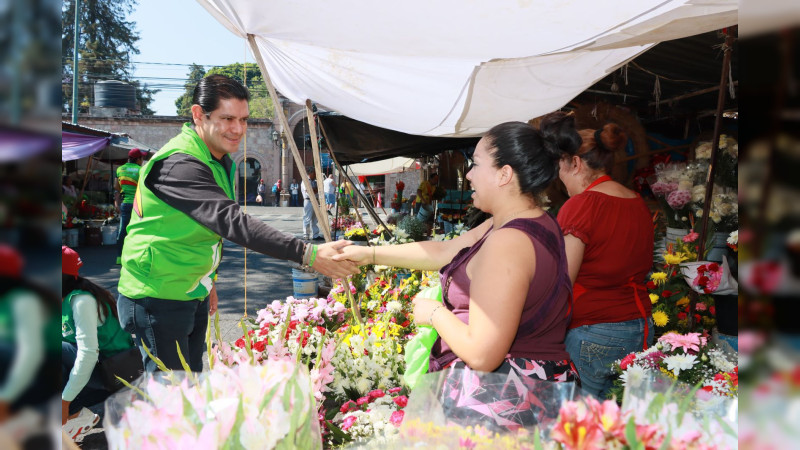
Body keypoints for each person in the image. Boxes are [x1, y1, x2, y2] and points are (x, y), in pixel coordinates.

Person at [335, 116, 580, 429]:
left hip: (504, 404)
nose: (469, 175)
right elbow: (444, 251)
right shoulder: (528, 222)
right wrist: (369, 254)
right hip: (532, 392)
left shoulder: (508, 241)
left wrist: (434, 313)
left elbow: (482, 353)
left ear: (505, 174)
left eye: (476, 164)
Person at [116, 74, 358, 373]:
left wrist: (210, 279)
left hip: (190, 289)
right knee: (168, 398)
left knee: (189, 386)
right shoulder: (180, 164)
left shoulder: (216, 157)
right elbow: (232, 222)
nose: (238, 129)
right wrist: (309, 254)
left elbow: (208, 229)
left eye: (243, 119)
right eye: (227, 118)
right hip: (157, 295)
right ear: (197, 115)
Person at [553, 117, 654, 399]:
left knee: (580, 428)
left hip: (594, 330)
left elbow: (564, 281)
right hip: (641, 326)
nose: (560, 179)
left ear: (575, 163)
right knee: (618, 425)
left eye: (560, 168)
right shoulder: (636, 201)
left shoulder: (581, 205)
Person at [62, 246, 135, 442]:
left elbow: (88, 354)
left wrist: (64, 401)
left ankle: (70, 414)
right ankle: (76, 416)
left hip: (117, 372)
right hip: (99, 368)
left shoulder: (81, 301)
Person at [114, 148, 146, 265]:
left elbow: (116, 187)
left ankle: (119, 257)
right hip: (138, 205)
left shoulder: (120, 169)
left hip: (126, 203)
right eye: (142, 158)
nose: (142, 161)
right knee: (138, 230)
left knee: (123, 231)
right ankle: (135, 257)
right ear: (137, 159)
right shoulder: (141, 170)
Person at [301, 169, 323, 240]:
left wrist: (315, 189)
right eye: (314, 174)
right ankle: (306, 234)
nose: (316, 175)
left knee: (315, 219)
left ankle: (315, 235)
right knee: (307, 218)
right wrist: (315, 189)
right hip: (308, 201)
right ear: (310, 173)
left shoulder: (314, 181)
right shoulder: (305, 181)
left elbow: (318, 189)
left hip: (315, 201)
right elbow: (309, 190)